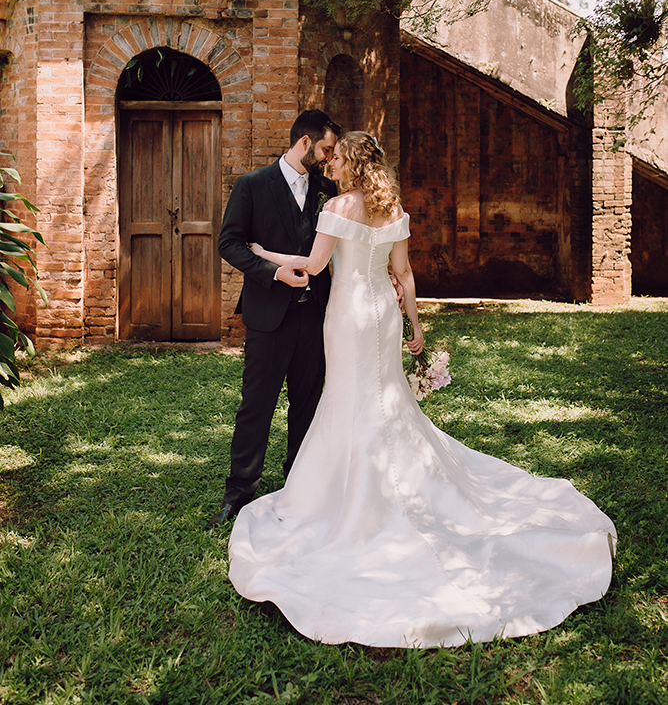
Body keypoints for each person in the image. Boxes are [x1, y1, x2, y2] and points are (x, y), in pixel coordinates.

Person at [227, 131, 617, 648]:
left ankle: (351, 499)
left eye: (338, 157)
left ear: (355, 164)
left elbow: (315, 267)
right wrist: (416, 326)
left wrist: (262, 252)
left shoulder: (337, 207)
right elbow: (404, 274)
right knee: (385, 401)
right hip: (384, 317)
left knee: (349, 398)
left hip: (346, 317)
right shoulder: (393, 210)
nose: (330, 163)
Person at [205, 109, 341, 529]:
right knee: (256, 407)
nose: (328, 157)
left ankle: (298, 488)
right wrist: (272, 272)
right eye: (325, 149)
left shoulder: (328, 189)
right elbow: (229, 243)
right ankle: (239, 493)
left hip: (316, 316)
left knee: (307, 406)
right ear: (304, 142)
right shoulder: (252, 185)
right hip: (268, 316)